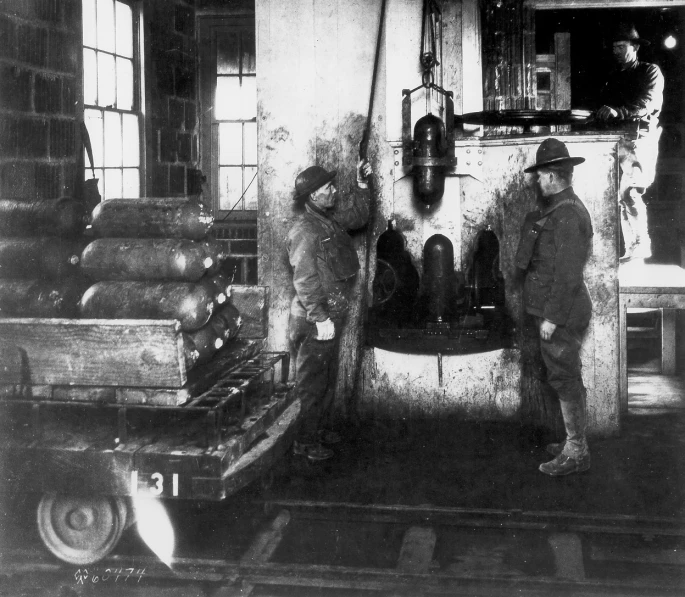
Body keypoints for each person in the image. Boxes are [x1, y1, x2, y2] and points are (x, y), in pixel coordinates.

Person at [515, 138, 593, 476]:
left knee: (564, 377)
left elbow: (567, 275)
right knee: (563, 375)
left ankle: (576, 450)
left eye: (539, 176)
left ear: (550, 176)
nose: (536, 182)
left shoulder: (567, 216)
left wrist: (551, 318)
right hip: (553, 309)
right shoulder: (555, 211)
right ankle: (572, 442)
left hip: (561, 311)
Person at [287, 159, 372, 461]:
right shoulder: (305, 231)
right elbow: (305, 278)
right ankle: (304, 442)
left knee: (327, 376)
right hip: (315, 319)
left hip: (331, 315)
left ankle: (318, 430)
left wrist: (362, 186)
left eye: (332, 185)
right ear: (312, 196)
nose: (334, 190)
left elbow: (360, 216)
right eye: (328, 188)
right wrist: (320, 317)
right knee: (312, 383)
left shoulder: (330, 219)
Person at [595, 23, 664, 262]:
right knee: (621, 196)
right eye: (613, 46)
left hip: (640, 138)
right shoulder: (614, 76)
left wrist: (619, 112)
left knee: (631, 191)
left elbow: (648, 103)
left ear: (635, 47)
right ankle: (633, 249)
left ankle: (642, 245)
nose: (616, 50)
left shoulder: (650, 72)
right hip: (618, 140)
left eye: (621, 46)